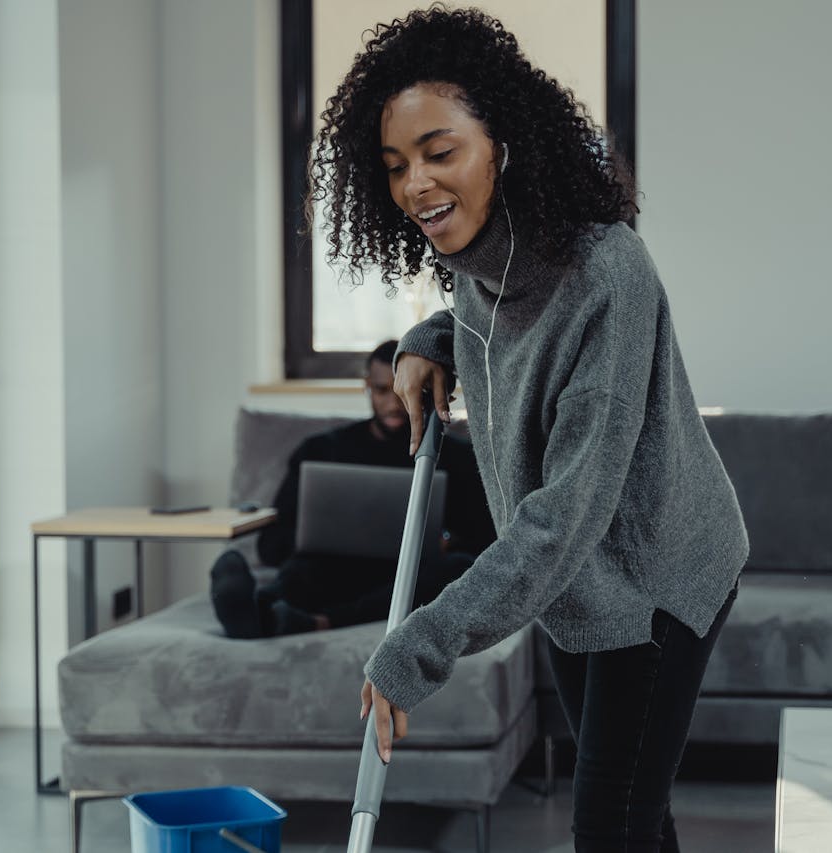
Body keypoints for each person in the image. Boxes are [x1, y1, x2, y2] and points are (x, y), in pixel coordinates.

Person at [308, 8, 748, 851]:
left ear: (501, 143)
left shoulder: (607, 270)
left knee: (606, 828)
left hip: (658, 577)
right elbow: (489, 316)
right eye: (398, 166)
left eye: (441, 153)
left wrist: (420, 644)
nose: (417, 186)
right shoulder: (481, 254)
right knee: (635, 820)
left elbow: (566, 513)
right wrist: (418, 343)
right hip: (575, 589)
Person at [209, 339, 493, 638]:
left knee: (458, 568)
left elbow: (487, 543)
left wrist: (446, 538)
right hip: (336, 571)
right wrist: (316, 536)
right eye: (382, 391)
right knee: (302, 569)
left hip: (409, 573)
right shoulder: (322, 450)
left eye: (403, 393)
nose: (394, 404)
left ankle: (297, 621)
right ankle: (254, 608)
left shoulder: (455, 456)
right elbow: (271, 545)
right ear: (367, 387)